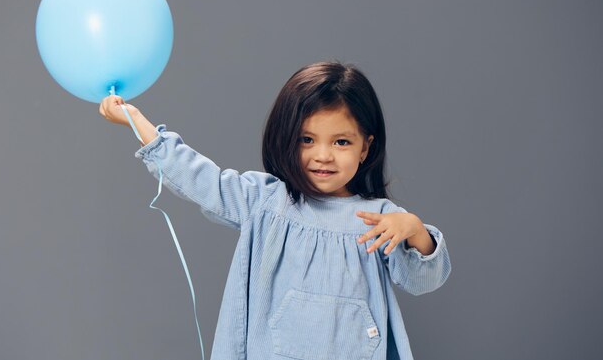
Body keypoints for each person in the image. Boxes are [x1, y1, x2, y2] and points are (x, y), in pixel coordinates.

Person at [99, 61, 451, 360]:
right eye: (307, 140)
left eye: (341, 142)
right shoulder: (266, 202)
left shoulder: (379, 218)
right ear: (286, 138)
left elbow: (422, 280)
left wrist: (415, 230)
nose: (323, 155)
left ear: (365, 148)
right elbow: (202, 180)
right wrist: (137, 121)